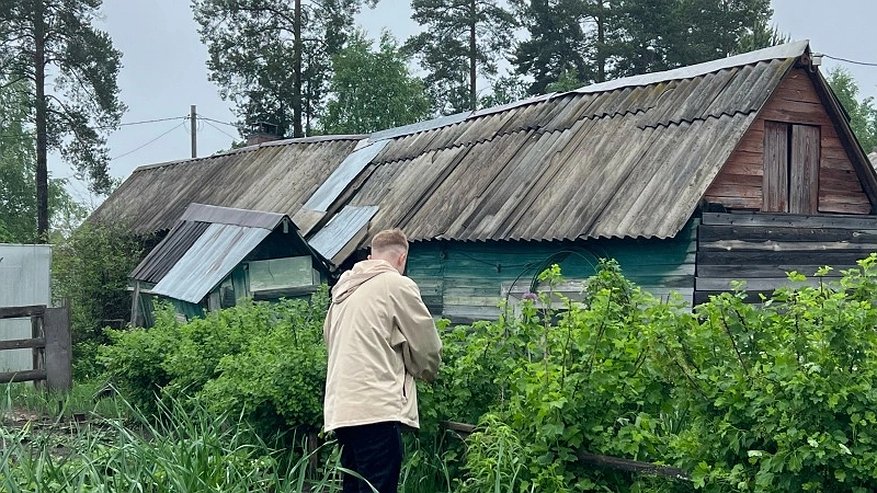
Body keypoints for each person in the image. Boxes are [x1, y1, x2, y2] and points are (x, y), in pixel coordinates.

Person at [323, 228, 442, 493]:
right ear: (402, 259)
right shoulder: (396, 284)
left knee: (354, 486)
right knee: (379, 486)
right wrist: (426, 371)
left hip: (341, 409)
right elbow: (426, 344)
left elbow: (330, 341)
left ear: (370, 256)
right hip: (375, 407)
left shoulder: (342, 293)